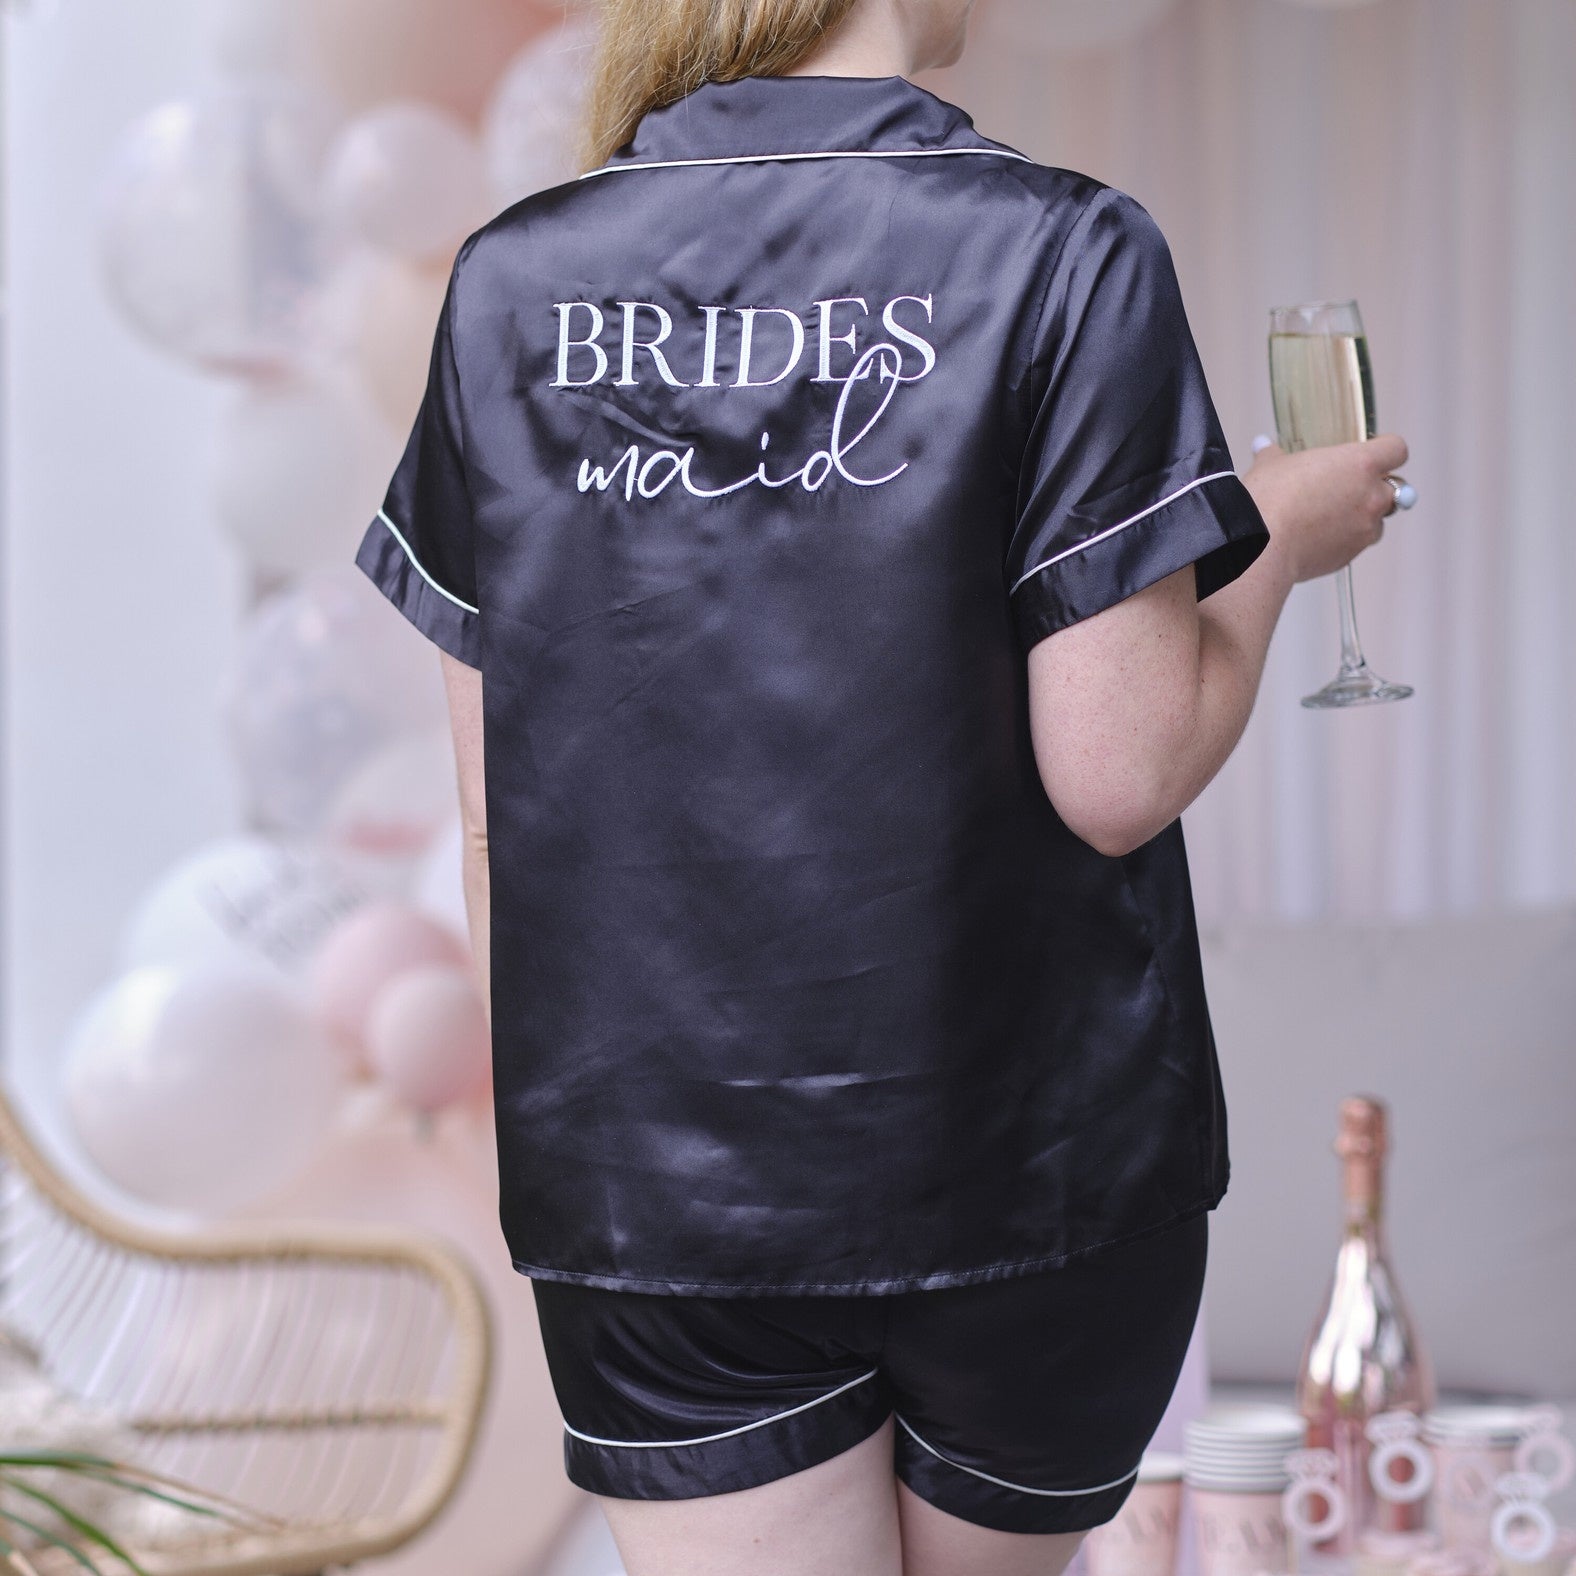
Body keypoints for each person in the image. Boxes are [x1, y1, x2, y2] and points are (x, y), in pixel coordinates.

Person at [352, 0, 1414, 1570]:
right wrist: (1270, 540)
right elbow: (1118, 773)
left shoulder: (511, 280)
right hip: (1020, 1185)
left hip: (654, 1204)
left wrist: (599, 1173)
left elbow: (497, 822)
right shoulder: (1063, 253)